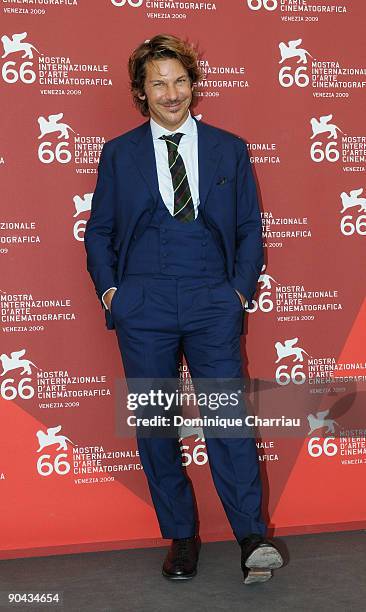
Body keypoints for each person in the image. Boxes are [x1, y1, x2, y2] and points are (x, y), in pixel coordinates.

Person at [84, 34, 284, 584]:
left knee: (229, 419)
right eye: (159, 84)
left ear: (193, 85)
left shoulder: (229, 148)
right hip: (143, 300)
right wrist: (112, 294)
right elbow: (99, 233)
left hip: (210, 297)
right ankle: (181, 537)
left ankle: (251, 537)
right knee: (155, 424)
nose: (172, 93)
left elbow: (249, 229)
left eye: (180, 81)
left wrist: (237, 292)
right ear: (141, 93)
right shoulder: (119, 154)